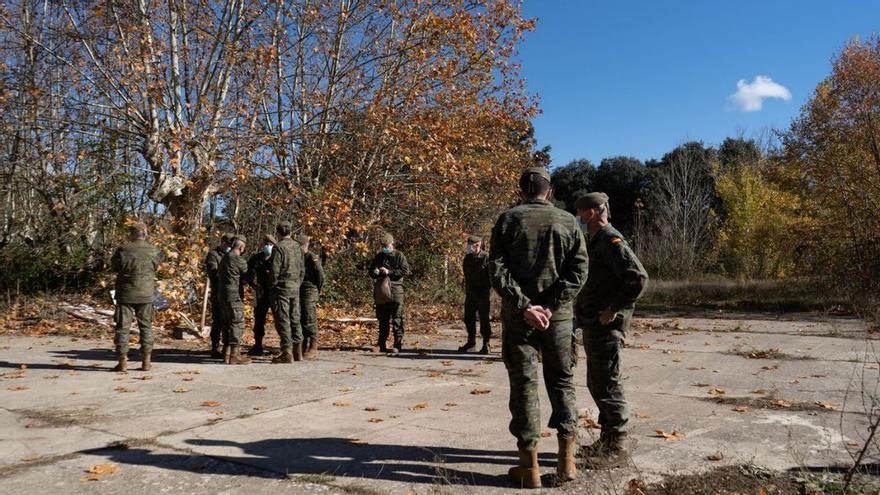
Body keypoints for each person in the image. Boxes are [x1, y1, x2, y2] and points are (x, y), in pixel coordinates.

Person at [489, 167, 588, 487]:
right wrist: (551, 304)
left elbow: (497, 269)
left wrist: (524, 305)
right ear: (550, 190)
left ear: (522, 190)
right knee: (562, 382)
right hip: (557, 319)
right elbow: (579, 269)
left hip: (520, 320)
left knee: (524, 385)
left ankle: (529, 466)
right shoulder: (568, 221)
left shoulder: (508, 220)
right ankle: (567, 462)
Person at [573, 192, 648, 469]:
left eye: (580, 213)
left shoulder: (610, 239)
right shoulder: (596, 240)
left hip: (607, 327)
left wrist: (613, 308)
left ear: (591, 213)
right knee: (598, 382)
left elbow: (638, 278)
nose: (578, 218)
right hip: (595, 325)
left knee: (608, 384)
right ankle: (607, 440)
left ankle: (618, 447)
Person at [110, 222, 163, 372]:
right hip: (146, 293)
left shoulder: (123, 249)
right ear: (145, 233)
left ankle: (123, 362)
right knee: (146, 327)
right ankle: (146, 361)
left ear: (131, 234)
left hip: (126, 293)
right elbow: (158, 265)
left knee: (122, 328)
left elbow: (114, 267)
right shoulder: (154, 250)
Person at [269, 221, 305, 363]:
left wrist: (272, 285)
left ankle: (287, 352)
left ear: (278, 232)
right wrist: (297, 283)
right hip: (295, 287)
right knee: (295, 318)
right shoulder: (297, 247)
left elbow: (274, 270)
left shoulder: (278, 247)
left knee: (283, 319)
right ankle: (298, 352)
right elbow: (302, 269)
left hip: (282, 288)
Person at [369, 233, 410, 353]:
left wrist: (389, 272)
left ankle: (397, 343)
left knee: (397, 317)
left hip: (396, 290)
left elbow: (405, 270)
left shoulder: (399, 255)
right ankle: (381, 343)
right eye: (383, 245)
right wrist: (375, 271)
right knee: (382, 317)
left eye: (386, 245)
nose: (384, 247)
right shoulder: (379, 256)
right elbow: (370, 270)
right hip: (382, 290)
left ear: (392, 244)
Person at [218, 236, 252, 365]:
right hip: (233, 296)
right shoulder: (237, 259)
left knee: (227, 323)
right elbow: (248, 274)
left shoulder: (224, 258)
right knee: (237, 323)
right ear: (241, 247)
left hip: (222, 295)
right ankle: (234, 354)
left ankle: (226, 353)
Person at [459, 235, 492, 354]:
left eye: (472, 245)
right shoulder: (467, 258)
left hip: (483, 294)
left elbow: (491, 277)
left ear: (478, 245)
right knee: (468, 318)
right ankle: (471, 342)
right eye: (469, 245)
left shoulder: (486, 257)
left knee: (484, 319)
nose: (470, 248)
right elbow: (466, 275)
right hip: (471, 293)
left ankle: (486, 344)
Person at [246, 235, 276, 356]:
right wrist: (253, 285)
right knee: (259, 319)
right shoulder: (256, 258)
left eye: (270, 244)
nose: (267, 247)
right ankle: (258, 345)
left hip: (275, 292)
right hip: (261, 293)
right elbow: (248, 272)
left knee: (281, 319)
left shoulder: (277, 258)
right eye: (265, 244)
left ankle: (285, 348)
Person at [298, 235, 325, 359]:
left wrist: (318, 289)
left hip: (310, 288)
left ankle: (313, 345)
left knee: (309, 315)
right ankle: (303, 344)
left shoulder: (311, 257)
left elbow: (320, 275)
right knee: (300, 316)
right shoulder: (297, 257)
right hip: (298, 288)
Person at [205, 234, 231, 358]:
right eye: (227, 244)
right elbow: (214, 274)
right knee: (218, 321)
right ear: (222, 242)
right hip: (218, 293)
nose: (229, 247)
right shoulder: (213, 255)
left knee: (229, 322)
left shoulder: (231, 256)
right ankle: (215, 348)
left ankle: (227, 347)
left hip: (229, 294)